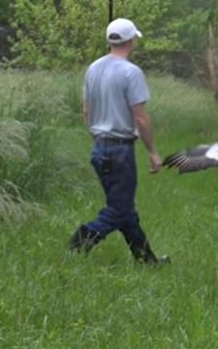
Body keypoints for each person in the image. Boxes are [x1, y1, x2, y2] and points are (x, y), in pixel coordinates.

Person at [68, 18, 169, 265]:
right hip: (120, 151)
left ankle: (147, 261)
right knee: (118, 211)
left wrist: (98, 137)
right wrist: (153, 152)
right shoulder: (131, 73)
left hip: (99, 147)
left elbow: (86, 112)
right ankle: (81, 240)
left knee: (124, 209)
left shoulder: (93, 69)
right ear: (131, 40)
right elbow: (141, 119)